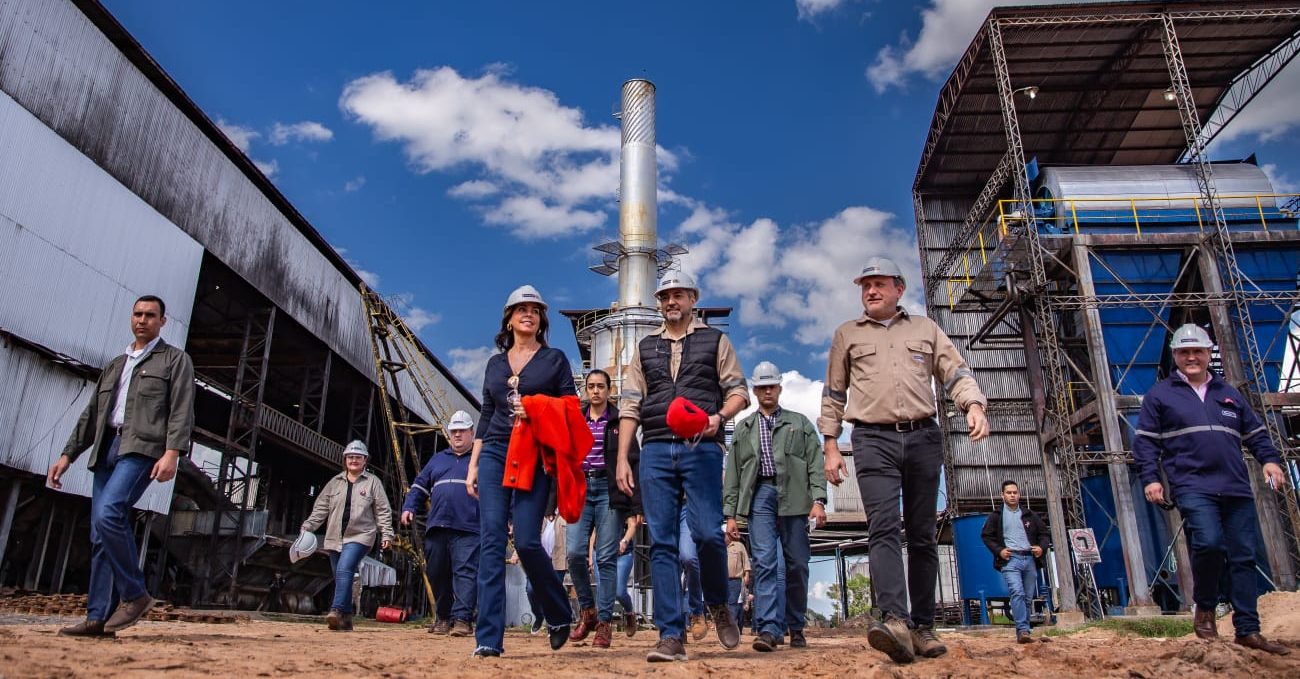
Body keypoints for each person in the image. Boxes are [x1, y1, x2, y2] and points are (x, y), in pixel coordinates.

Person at [820, 257, 989, 664]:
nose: (871, 291)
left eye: (879, 284)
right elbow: (833, 393)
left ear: (899, 289)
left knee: (922, 534)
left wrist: (973, 404)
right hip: (871, 438)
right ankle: (895, 620)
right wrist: (830, 445)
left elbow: (954, 371)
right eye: (865, 286)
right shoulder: (847, 334)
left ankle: (923, 627)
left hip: (922, 437)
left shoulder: (925, 329)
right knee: (882, 527)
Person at [616, 271, 750, 663]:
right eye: (665, 296)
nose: (671, 301)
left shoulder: (715, 341)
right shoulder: (645, 347)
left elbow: (739, 391)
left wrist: (717, 417)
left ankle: (718, 604)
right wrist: (624, 457)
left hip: (701, 447)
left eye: (678, 295)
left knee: (707, 534)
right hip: (656, 448)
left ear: (693, 298)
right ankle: (670, 635)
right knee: (662, 542)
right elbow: (630, 404)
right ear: (659, 303)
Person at [1133, 324, 1290, 655]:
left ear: (1208, 353)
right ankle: (1205, 606)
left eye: (1198, 351)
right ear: (1175, 355)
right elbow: (1145, 444)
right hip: (1192, 484)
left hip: (1235, 486)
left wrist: (1270, 460)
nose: (1191, 357)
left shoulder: (1228, 393)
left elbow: (1256, 433)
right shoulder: (1160, 396)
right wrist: (1151, 478)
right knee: (1209, 543)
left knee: (1243, 556)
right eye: (1184, 352)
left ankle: (1248, 629)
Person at [50, 295, 195, 637]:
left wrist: (172, 453)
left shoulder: (175, 360)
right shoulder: (116, 364)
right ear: (131, 318)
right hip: (107, 449)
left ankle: (134, 594)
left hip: (141, 449)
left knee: (109, 513)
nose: (142, 320)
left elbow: (181, 408)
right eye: (138, 314)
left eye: (150, 315)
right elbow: (91, 414)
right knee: (100, 532)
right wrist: (67, 455)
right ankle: (97, 618)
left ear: (162, 321)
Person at [466, 284, 578, 657]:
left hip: (533, 451)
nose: (528, 314)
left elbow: (571, 405)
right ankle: (488, 639)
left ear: (541, 320)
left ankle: (558, 613)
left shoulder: (554, 359)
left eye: (535, 310)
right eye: (521, 309)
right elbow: (486, 413)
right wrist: (473, 464)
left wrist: (537, 406)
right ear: (509, 319)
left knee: (528, 541)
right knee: (491, 541)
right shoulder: (495, 364)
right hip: (496, 451)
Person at [725, 361, 827, 651]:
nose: (767, 391)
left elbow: (815, 463)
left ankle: (795, 626)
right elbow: (733, 473)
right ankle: (769, 629)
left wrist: (818, 500)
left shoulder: (799, 424)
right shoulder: (745, 428)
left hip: (795, 497)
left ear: (779, 388)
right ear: (755, 391)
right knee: (765, 563)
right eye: (762, 387)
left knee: (798, 564)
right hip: (760, 496)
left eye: (771, 386)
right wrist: (730, 514)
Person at [299, 440, 393, 631]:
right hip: (335, 536)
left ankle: (336, 610)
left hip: (361, 535)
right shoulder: (335, 483)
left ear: (365, 460)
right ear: (345, 459)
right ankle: (347, 618)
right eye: (350, 457)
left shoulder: (373, 482)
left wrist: (386, 534)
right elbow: (321, 508)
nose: (354, 460)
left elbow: (383, 510)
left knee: (344, 568)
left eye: (358, 457)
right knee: (341, 575)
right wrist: (309, 526)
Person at [402, 409, 480, 637]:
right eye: (454, 431)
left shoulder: (480, 461)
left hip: (468, 527)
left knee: (465, 572)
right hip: (438, 526)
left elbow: (498, 489)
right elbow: (419, 485)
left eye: (462, 431)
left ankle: (462, 619)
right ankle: (443, 617)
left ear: (472, 432)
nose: (457, 435)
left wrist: (509, 518)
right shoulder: (438, 459)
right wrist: (409, 507)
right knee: (436, 572)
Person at [566, 369, 624, 648]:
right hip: (580, 487)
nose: (596, 391)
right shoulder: (576, 420)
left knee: (606, 558)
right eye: (591, 386)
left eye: (601, 386)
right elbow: (564, 456)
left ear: (609, 390)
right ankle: (587, 611)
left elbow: (631, 458)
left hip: (608, 490)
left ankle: (604, 623)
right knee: (575, 552)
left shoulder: (619, 420)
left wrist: (634, 505)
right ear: (586, 390)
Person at [979, 480, 1049, 643]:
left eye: (1015, 493)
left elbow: (1044, 534)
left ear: (1019, 494)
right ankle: (1022, 630)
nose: (1012, 495)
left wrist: (1041, 547)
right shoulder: (996, 516)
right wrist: (999, 550)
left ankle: (1025, 630)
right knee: (1017, 592)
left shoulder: (1030, 515)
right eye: (1009, 493)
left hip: (1029, 559)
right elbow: (986, 536)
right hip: (1010, 560)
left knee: (1027, 597)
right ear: (1002, 495)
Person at [724, 532, 751, 635]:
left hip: (736, 580)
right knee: (725, 605)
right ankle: (728, 628)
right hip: (722, 580)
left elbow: (746, 561)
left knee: (733, 604)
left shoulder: (739, 546)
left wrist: (747, 574)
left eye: (725, 534)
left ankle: (732, 629)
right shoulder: (718, 546)